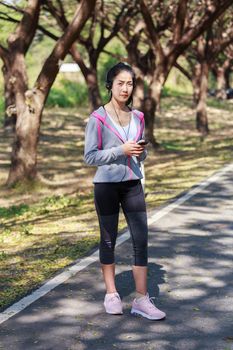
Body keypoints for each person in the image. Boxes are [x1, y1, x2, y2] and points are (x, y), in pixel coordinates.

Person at [84, 62, 166, 320]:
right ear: (110, 85)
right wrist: (121, 150)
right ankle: (111, 294)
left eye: (129, 84)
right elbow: (90, 156)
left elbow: (141, 154)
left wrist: (141, 151)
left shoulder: (139, 117)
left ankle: (142, 300)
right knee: (108, 239)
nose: (125, 88)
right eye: (120, 83)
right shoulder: (97, 118)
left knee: (141, 239)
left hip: (133, 183)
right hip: (106, 186)